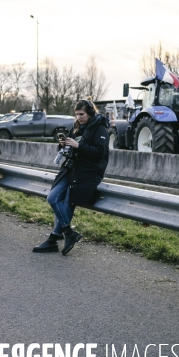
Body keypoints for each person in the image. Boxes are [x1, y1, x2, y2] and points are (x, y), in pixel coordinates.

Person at [33, 98, 109, 255]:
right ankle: (68, 233)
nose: (79, 118)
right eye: (77, 115)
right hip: (70, 169)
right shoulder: (76, 127)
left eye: (82, 114)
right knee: (52, 198)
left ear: (90, 113)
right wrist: (63, 144)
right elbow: (70, 146)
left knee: (68, 203)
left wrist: (78, 146)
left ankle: (53, 239)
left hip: (86, 173)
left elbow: (100, 153)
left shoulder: (100, 129)